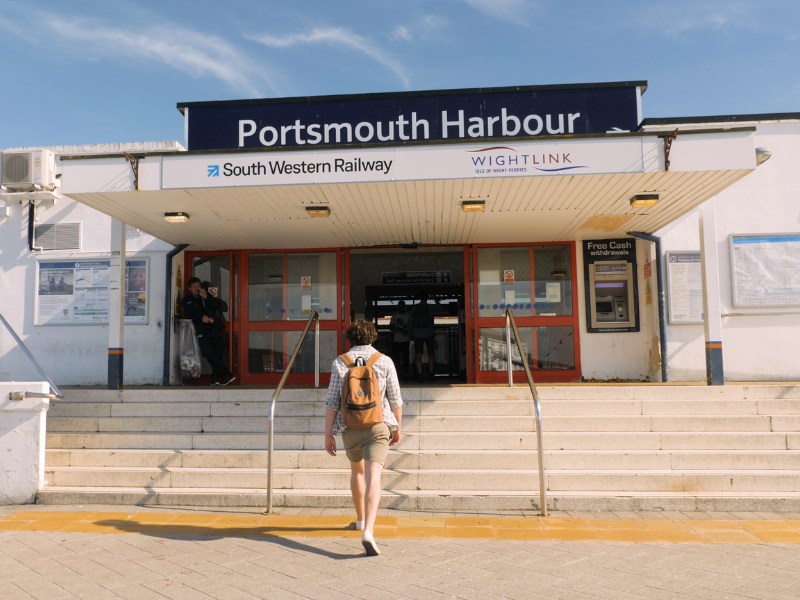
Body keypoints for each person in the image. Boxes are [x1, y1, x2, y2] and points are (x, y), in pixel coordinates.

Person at [324, 319, 403, 556]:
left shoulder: (340, 362)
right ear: (373, 337)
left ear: (350, 338)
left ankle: (359, 519)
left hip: (350, 426)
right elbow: (395, 399)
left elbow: (331, 401)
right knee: (374, 477)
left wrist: (328, 433)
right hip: (378, 425)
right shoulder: (384, 361)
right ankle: (368, 529)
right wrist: (397, 427)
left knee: (357, 472)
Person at [182, 277, 235, 386]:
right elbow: (191, 313)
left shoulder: (206, 296)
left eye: (198, 286)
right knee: (209, 354)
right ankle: (227, 375)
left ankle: (215, 379)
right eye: (194, 286)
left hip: (215, 329)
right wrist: (202, 317)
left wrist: (206, 296)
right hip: (202, 331)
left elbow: (220, 306)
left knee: (218, 354)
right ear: (189, 288)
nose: (197, 288)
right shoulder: (187, 300)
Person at [408, 291, 437, 382]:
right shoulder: (430, 307)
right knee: (431, 354)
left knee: (418, 354)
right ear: (427, 298)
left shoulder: (415, 308)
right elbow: (440, 308)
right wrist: (435, 297)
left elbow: (410, 321)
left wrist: (410, 333)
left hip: (417, 334)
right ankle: (431, 373)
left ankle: (420, 374)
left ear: (420, 299)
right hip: (429, 333)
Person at [389, 300, 410, 381]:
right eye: (399, 306)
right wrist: (399, 329)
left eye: (402, 306)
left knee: (405, 357)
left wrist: (407, 331)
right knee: (396, 357)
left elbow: (411, 326)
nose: (401, 308)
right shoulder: (395, 316)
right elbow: (390, 327)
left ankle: (405, 373)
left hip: (405, 340)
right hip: (396, 340)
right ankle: (398, 371)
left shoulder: (408, 316)